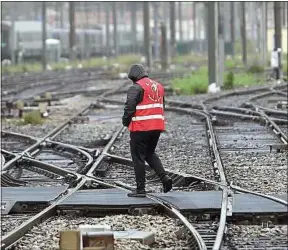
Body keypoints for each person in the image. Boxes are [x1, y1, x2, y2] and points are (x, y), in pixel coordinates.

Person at [122, 64, 173, 197]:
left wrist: (125, 121)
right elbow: (162, 105)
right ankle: (165, 178)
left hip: (141, 127)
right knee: (149, 153)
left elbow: (130, 107)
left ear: (134, 77)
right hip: (156, 126)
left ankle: (140, 190)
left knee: (138, 157)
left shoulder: (136, 87)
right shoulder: (159, 86)